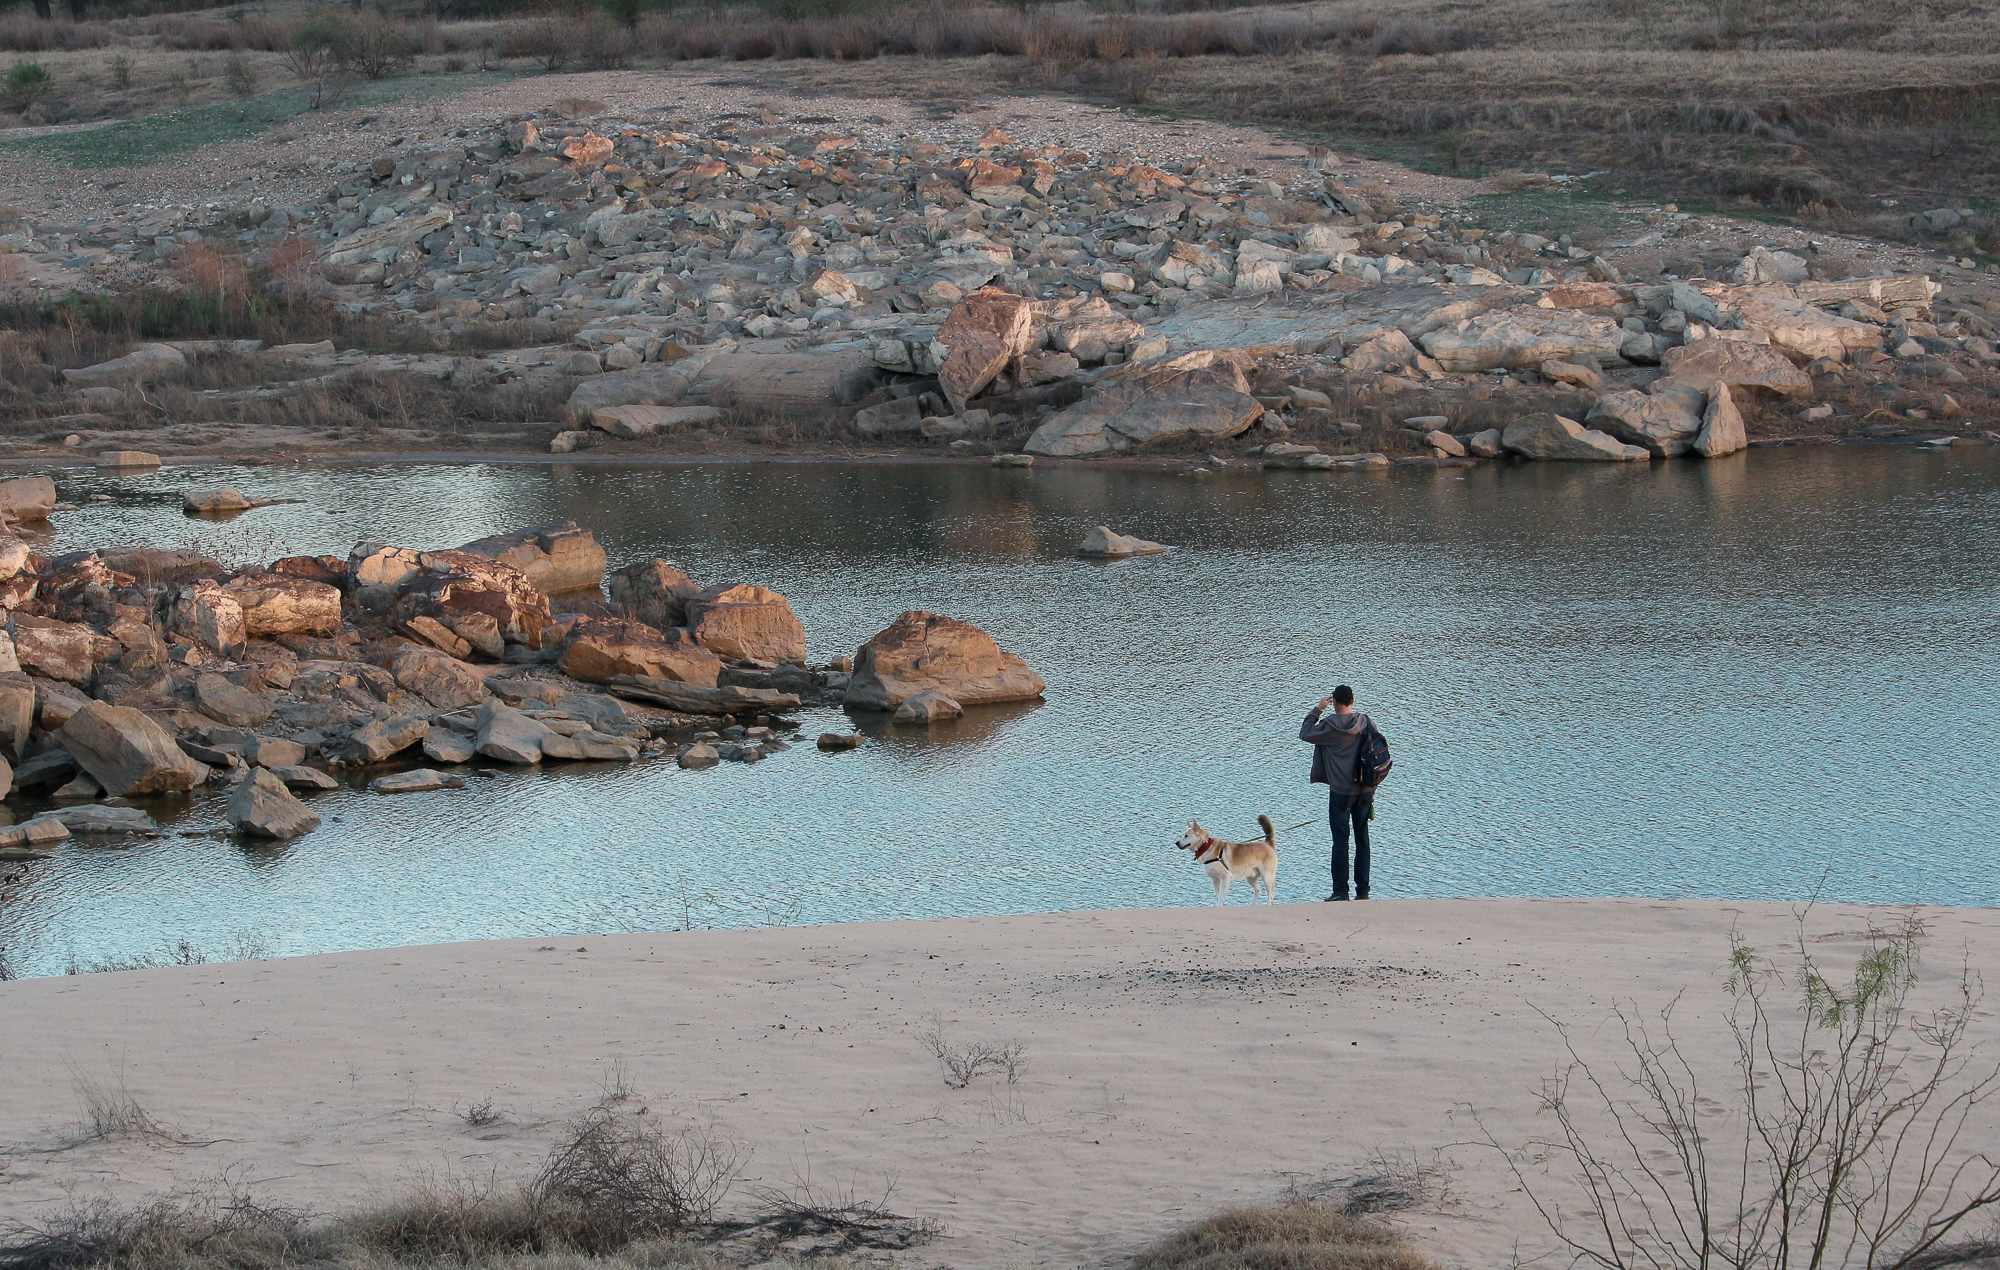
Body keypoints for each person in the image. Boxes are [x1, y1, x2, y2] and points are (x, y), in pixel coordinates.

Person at [1300, 684, 1374, 901]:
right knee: (1362, 838)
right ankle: (1363, 892)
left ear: (1334, 702)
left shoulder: (1330, 725)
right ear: (1352, 701)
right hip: (1365, 790)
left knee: (1341, 841)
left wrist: (1317, 709)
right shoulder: (1366, 721)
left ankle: (1341, 892)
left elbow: (1304, 733)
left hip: (1341, 791)